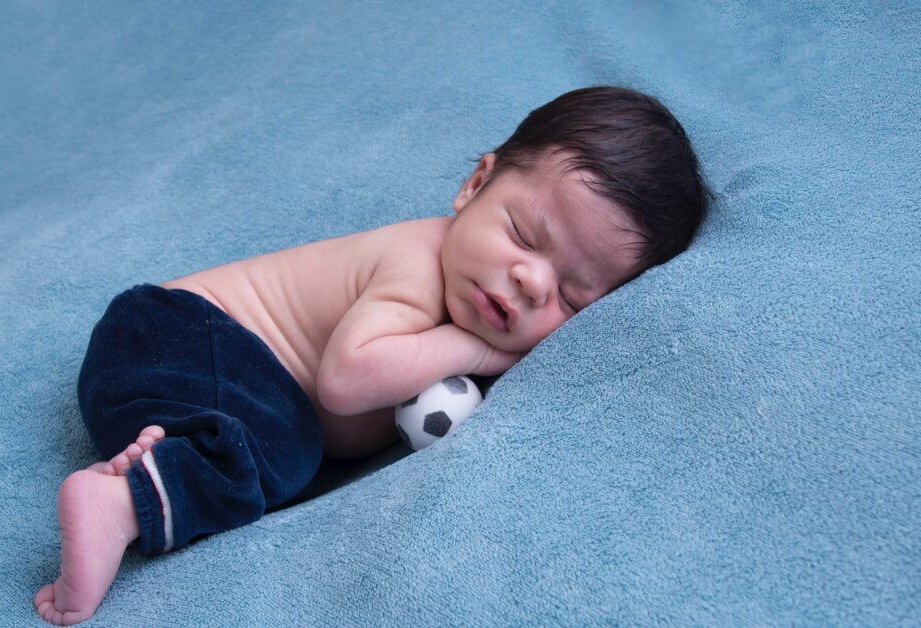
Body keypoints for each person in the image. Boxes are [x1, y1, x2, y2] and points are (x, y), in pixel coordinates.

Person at [34, 85, 709, 625]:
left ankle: (162, 452)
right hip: (176, 336)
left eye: (571, 292)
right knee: (287, 451)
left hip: (186, 378)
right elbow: (346, 381)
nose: (531, 282)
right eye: (524, 235)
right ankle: (121, 503)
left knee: (275, 448)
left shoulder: (469, 293)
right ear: (476, 185)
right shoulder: (417, 260)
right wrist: (474, 347)